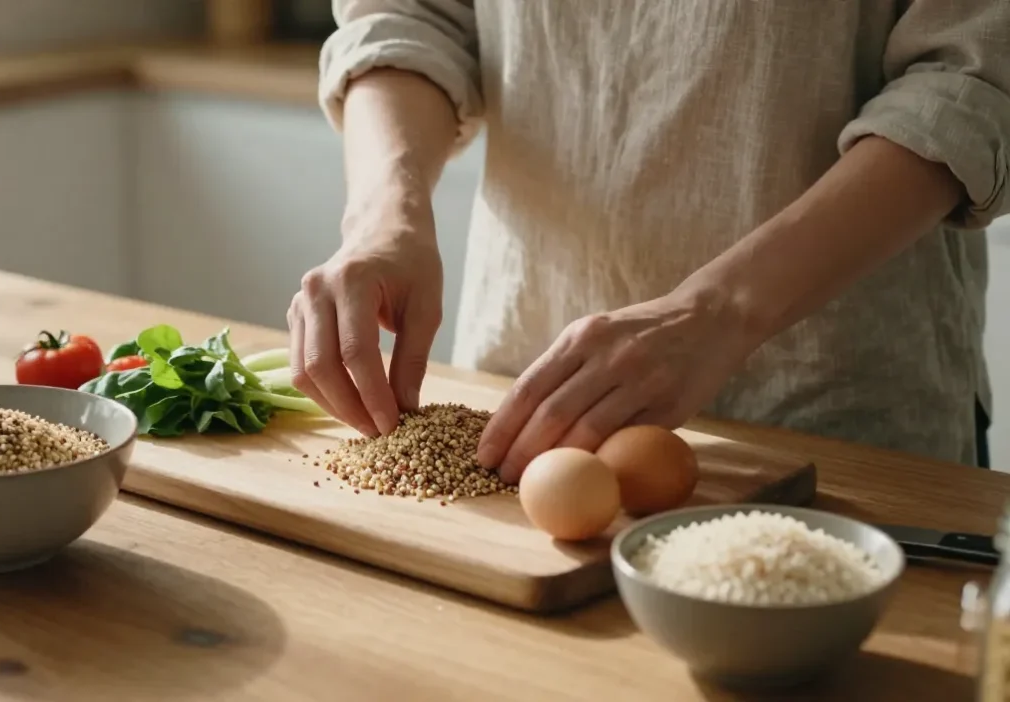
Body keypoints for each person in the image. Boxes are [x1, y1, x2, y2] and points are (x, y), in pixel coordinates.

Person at [288, 1, 1010, 479]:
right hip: (521, 389)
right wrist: (388, 212)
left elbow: (971, 79)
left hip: (835, 413)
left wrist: (719, 311)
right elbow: (410, 14)